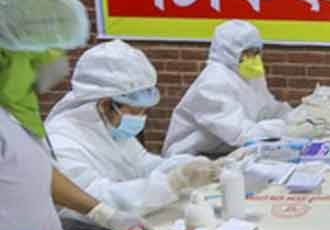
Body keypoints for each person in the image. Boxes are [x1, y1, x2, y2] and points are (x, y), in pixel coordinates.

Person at [0, 0, 150, 230]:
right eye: (45, 50)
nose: (59, 62)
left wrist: (104, 213)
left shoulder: (13, 113)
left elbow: (35, 172)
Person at [46, 40, 219, 217]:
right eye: (136, 110)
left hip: (128, 220)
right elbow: (94, 201)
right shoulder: (61, 141)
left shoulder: (106, 123)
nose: (142, 117)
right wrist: (172, 182)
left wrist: (190, 165)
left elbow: (142, 164)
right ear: (105, 104)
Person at [163, 20, 294, 157]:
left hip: (225, 150)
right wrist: (285, 128)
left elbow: (268, 109)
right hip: (191, 158)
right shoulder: (212, 82)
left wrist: (297, 118)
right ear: (229, 51)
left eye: (256, 52)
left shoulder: (249, 74)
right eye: (247, 53)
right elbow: (239, 133)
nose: (254, 58)